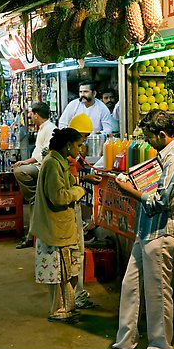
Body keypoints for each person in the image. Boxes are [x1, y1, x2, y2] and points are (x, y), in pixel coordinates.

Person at [108, 109, 174, 349]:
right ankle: (125, 342)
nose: (146, 141)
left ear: (162, 134)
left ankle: (159, 348)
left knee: (157, 293)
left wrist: (128, 190)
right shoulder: (165, 155)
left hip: (161, 233)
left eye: (148, 136)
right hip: (146, 231)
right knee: (130, 286)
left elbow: (160, 202)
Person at [29, 128, 89, 325]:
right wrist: (79, 190)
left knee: (66, 270)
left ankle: (66, 309)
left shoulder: (59, 162)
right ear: (68, 146)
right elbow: (59, 196)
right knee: (60, 272)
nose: (81, 149)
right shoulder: (53, 165)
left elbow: (68, 184)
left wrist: (80, 182)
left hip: (60, 227)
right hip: (55, 228)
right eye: (78, 145)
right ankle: (59, 311)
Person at [68, 113, 103, 309]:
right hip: (69, 207)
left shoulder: (70, 155)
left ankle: (75, 293)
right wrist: (83, 181)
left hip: (72, 206)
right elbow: (65, 184)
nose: (84, 144)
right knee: (76, 251)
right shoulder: (63, 158)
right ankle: (75, 295)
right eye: (82, 139)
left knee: (77, 251)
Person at [12, 102, 57, 249]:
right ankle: (33, 199)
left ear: (36, 115)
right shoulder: (43, 128)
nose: (30, 116)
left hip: (45, 168)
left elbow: (43, 154)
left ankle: (32, 196)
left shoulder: (50, 129)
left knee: (20, 171)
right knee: (19, 170)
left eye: (31, 114)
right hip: (39, 165)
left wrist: (25, 162)